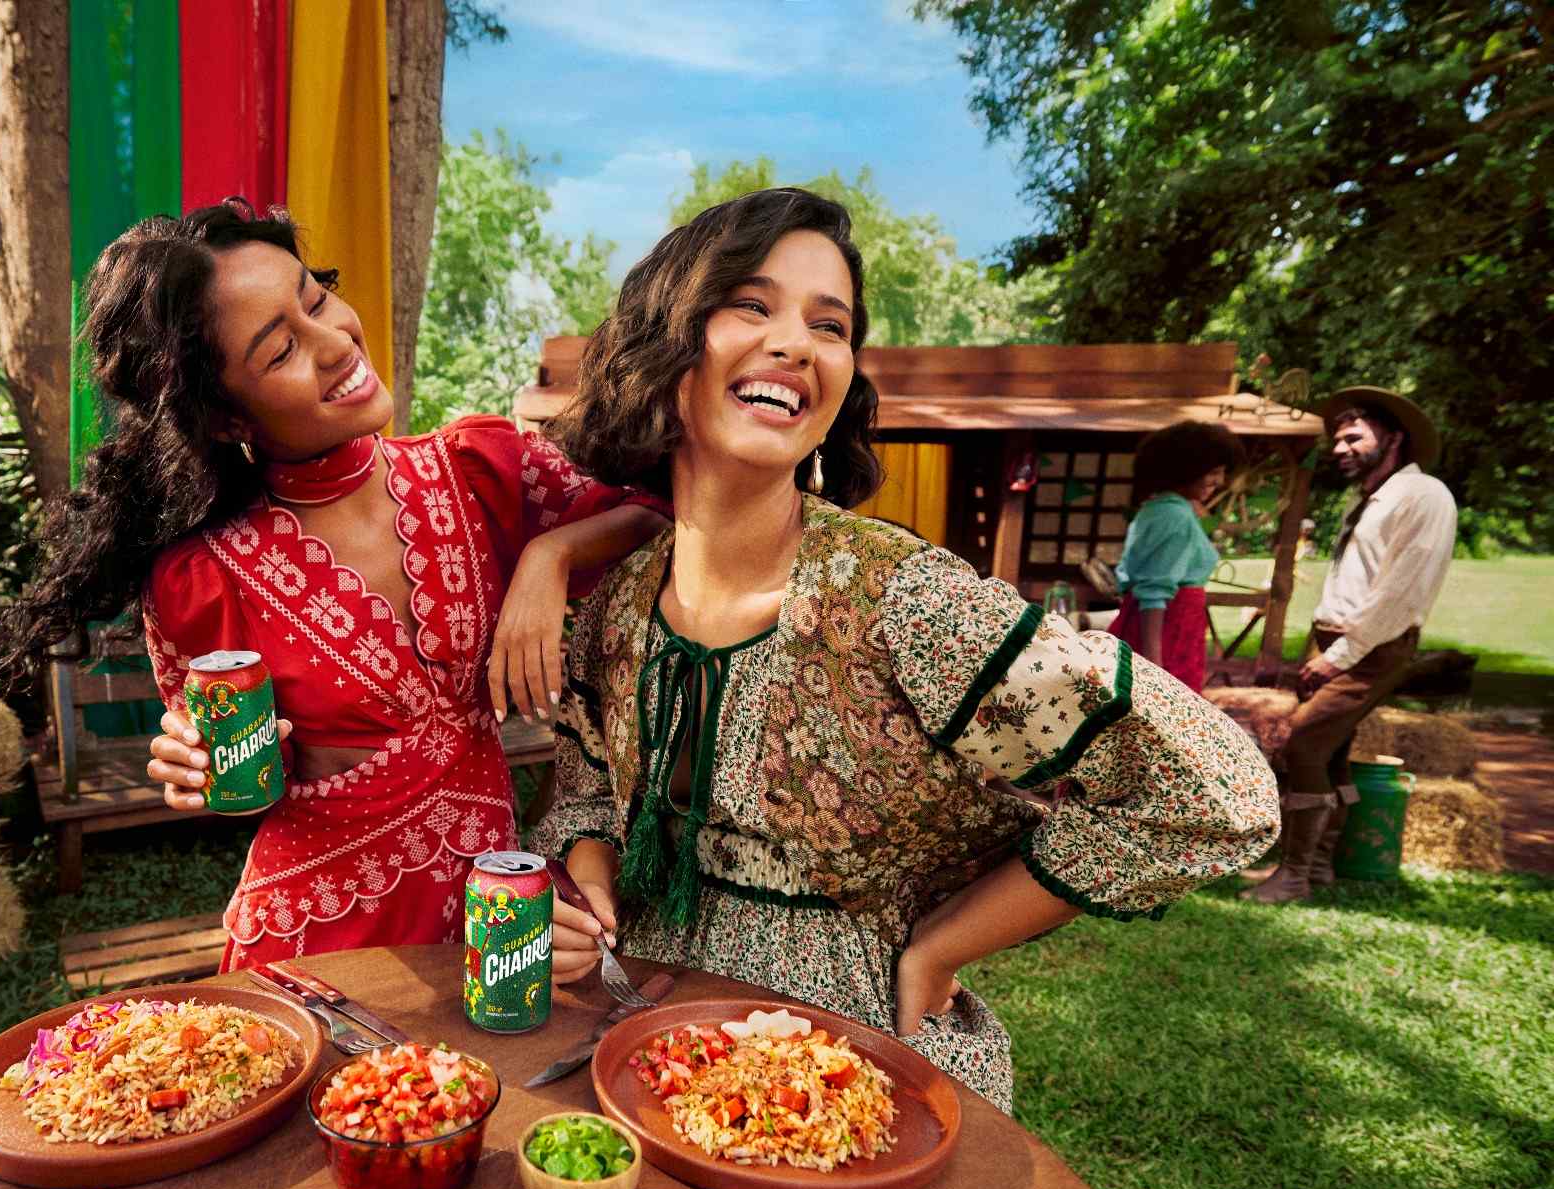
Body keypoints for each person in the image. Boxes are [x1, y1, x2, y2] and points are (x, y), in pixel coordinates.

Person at [529, 188, 1279, 1111]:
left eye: (830, 325)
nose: (797, 343)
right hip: (642, 1024)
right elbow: (586, 783)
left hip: (851, 1048)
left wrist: (944, 942)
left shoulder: (904, 605)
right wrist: (592, 894)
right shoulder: (619, 607)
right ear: (666, 343)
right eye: (752, 305)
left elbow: (1211, 791)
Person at [0, 204, 665, 970]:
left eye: (314, 299)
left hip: (489, 926)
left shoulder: (480, 473)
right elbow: (247, 779)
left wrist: (551, 558)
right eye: (281, 352)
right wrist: (195, 765)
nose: (337, 342)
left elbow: (657, 518)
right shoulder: (204, 579)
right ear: (226, 418)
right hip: (312, 947)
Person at [1246, 388, 1457, 904]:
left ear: (1394, 438)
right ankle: (1317, 867)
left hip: (1370, 647)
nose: (1340, 448)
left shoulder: (1423, 496)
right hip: (1339, 641)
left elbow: (1400, 593)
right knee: (1331, 753)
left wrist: (1338, 657)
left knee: (1303, 743)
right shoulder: (1372, 499)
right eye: (1337, 439)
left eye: (1353, 437)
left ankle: (1293, 874)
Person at [1105, 421, 1239, 692]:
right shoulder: (1174, 515)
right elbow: (1153, 594)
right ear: (1186, 470)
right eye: (1213, 472)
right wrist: (1154, 667)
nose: (1220, 482)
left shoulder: (1161, 508)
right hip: (1168, 632)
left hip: (1174, 627)